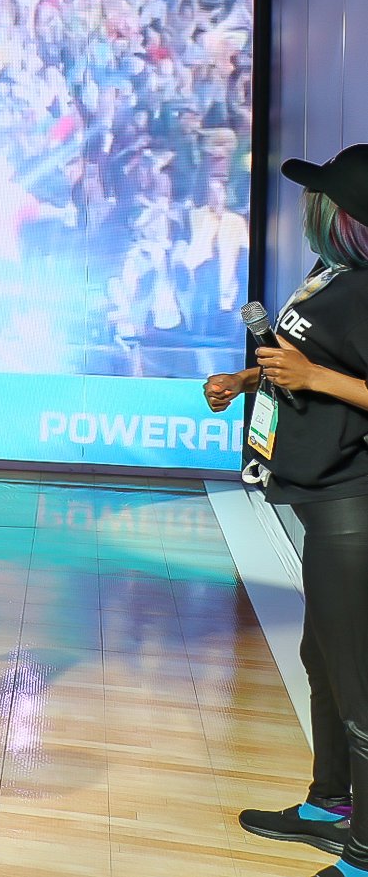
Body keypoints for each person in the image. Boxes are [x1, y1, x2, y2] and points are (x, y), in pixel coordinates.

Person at [205, 144, 368, 877]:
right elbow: (300, 358)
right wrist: (247, 376)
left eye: (319, 198)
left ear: (345, 217)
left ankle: (362, 852)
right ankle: (329, 803)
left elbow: (326, 373)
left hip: (352, 506)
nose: (307, 208)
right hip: (318, 498)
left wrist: (316, 377)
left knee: (356, 675)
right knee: (322, 659)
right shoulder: (330, 274)